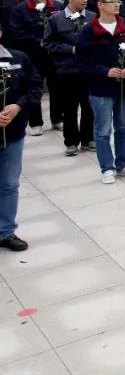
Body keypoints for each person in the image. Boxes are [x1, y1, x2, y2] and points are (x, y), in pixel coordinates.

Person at [76, 0, 125, 184]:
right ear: (100, 5)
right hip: (101, 89)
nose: (117, 5)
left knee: (124, 127)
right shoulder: (89, 30)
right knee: (103, 130)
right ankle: (107, 168)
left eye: (118, 2)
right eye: (112, 2)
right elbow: (82, 61)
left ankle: (123, 164)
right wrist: (105, 71)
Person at [0, 24, 42, 252]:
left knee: (9, 184)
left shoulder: (18, 58)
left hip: (13, 135)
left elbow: (34, 87)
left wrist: (18, 106)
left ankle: (6, 231)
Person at [42, 0, 97, 154]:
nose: (85, 0)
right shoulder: (56, 19)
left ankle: (88, 139)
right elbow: (48, 43)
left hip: (88, 70)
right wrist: (70, 49)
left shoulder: (93, 17)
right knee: (70, 107)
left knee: (89, 106)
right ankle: (71, 142)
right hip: (67, 70)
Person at [9, 0, 62, 135]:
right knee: (34, 88)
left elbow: (64, 26)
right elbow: (18, 32)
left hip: (55, 55)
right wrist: (40, 41)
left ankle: (57, 119)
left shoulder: (57, 6)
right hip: (33, 56)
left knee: (57, 88)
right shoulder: (20, 9)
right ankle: (35, 122)